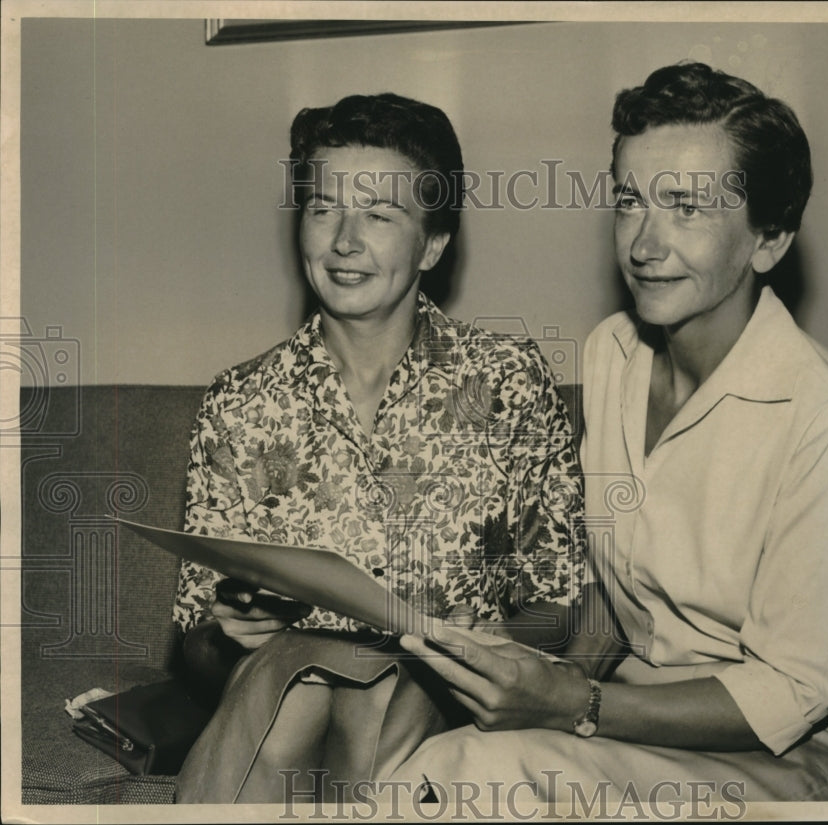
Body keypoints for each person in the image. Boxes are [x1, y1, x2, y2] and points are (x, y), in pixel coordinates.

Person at [390, 62, 828, 805]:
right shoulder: (613, 353)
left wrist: (573, 705)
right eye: (630, 202)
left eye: (687, 208)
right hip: (638, 720)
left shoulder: (827, 423)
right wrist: (510, 650)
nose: (644, 243)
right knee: (430, 760)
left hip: (814, 752)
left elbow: (790, 692)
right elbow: (614, 590)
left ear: (770, 238)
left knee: (482, 776)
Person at [171, 93, 587, 803]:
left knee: (376, 698)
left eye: (381, 215)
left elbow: (564, 607)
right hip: (275, 708)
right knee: (303, 684)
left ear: (432, 243)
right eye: (324, 208)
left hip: (446, 693)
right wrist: (231, 629)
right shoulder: (240, 403)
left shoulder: (510, 383)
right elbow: (194, 650)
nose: (343, 241)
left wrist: (486, 636)